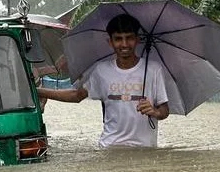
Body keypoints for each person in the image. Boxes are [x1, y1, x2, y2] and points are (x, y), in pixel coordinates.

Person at [37, 13, 169, 148]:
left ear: (137, 40)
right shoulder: (101, 71)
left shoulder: (154, 70)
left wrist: (155, 111)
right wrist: (38, 92)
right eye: (118, 39)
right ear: (110, 42)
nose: (124, 44)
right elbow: (76, 95)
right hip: (109, 147)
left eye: (129, 38)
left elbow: (164, 109)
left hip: (145, 148)